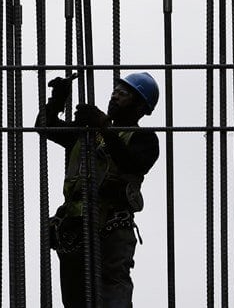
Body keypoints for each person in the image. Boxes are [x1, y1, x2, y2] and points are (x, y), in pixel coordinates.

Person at [37, 72, 160, 308]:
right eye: (114, 91)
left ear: (140, 106)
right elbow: (44, 126)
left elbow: (130, 163)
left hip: (111, 229)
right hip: (75, 227)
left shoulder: (144, 139)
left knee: (112, 297)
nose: (114, 96)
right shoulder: (88, 134)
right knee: (76, 301)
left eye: (123, 94)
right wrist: (58, 99)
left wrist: (103, 125)